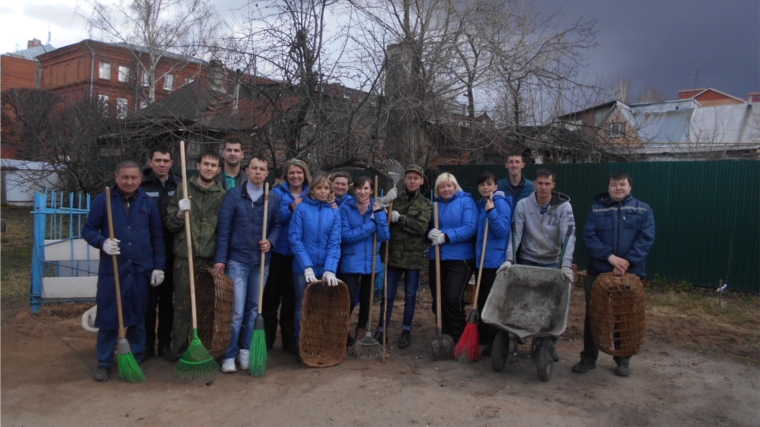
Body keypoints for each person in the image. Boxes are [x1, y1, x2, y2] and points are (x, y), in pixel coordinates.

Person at [83, 161, 166, 382]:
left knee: (139, 316)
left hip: (140, 269)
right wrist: (102, 242)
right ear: (116, 177)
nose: (129, 182)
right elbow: (88, 230)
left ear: (140, 179)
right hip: (114, 269)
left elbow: (158, 238)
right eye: (125, 177)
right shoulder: (104, 201)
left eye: (133, 178)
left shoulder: (148, 203)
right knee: (110, 316)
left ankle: (134, 358)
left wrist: (158, 266)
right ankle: (104, 361)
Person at [572, 171, 655, 377]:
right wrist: (610, 258)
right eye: (614, 184)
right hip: (599, 271)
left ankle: (622, 359)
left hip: (630, 273)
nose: (618, 188)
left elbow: (646, 238)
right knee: (594, 314)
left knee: (623, 316)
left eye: (622, 184)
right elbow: (589, 237)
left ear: (630, 187)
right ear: (608, 187)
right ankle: (588, 358)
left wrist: (626, 263)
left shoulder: (643, 209)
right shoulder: (597, 209)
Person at [214, 154, 282, 373]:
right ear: (248, 170)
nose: (258, 173)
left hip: (261, 262)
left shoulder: (272, 198)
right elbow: (224, 229)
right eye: (254, 168)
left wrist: (270, 241)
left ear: (267, 173)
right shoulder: (234, 196)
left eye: (262, 169)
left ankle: (245, 351)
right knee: (236, 312)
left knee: (254, 309)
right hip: (238, 260)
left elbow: (278, 225)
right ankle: (229, 354)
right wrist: (220, 259)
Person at [502, 168, 576, 361]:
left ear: (553, 185)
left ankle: (547, 345)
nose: (543, 187)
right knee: (525, 303)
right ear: (534, 183)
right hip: (528, 258)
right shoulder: (523, 205)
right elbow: (515, 233)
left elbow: (569, 237)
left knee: (552, 306)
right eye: (540, 183)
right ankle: (525, 337)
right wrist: (510, 259)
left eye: (547, 183)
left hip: (552, 261)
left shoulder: (563, 207)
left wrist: (565, 265)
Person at [164, 150, 226, 361]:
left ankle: (206, 348)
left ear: (218, 170)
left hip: (209, 259)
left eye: (213, 165)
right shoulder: (184, 189)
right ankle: (179, 350)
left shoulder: (221, 195)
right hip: (185, 259)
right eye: (205, 163)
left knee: (207, 307)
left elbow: (223, 228)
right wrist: (180, 213)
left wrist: (220, 257)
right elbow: (170, 224)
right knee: (182, 306)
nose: (209, 168)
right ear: (198, 165)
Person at [374, 165, 431, 349]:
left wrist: (401, 219)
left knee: (410, 295)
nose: (412, 181)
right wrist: (383, 203)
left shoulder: (424, 203)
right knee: (388, 295)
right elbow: (379, 218)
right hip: (393, 254)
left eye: (416, 178)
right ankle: (382, 330)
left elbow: (421, 228)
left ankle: (406, 330)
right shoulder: (394, 199)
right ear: (405, 180)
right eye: (409, 178)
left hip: (413, 257)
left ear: (422, 181)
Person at [289, 172, 342, 358]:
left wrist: (330, 269)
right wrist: (306, 266)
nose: (323, 191)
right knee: (303, 306)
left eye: (326, 188)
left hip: (324, 269)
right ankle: (300, 344)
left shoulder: (334, 213)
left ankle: (318, 341)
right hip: (303, 269)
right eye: (319, 188)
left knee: (321, 306)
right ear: (311, 190)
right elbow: (295, 239)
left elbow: (335, 242)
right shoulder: (302, 210)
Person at [262, 159, 311, 353]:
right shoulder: (276, 193)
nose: (295, 176)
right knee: (271, 298)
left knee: (292, 300)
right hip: (278, 253)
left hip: (299, 255)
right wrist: (292, 207)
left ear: (305, 174)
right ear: (286, 175)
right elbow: (272, 218)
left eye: (299, 172)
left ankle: (290, 341)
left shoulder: (311, 194)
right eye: (292, 173)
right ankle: (266, 340)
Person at [140, 147, 182, 360]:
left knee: (167, 302)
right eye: (158, 160)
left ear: (172, 162)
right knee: (148, 302)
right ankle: (147, 343)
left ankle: (164, 344)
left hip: (171, 250)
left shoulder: (179, 184)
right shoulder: (142, 184)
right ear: (151, 161)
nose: (162, 164)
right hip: (147, 251)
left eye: (166, 160)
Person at [427, 173, 477, 343]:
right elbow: (426, 230)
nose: (446, 189)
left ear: (455, 187)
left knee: (453, 298)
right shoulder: (434, 205)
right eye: (442, 186)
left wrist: (447, 236)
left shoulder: (466, 202)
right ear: (437, 189)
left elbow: (470, 227)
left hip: (460, 259)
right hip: (438, 258)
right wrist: (429, 234)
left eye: (449, 185)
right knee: (438, 300)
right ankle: (444, 335)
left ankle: (458, 336)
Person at [339, 176, 389, 345]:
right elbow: (345, 236)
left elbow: (384, 236)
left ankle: (360, 333)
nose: (362, 192)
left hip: (371, 261)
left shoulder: (378, 209)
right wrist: (370, 225)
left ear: (372, 190)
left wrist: (379, 216)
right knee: (350, 299)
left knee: (367, 300)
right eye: (359, 188)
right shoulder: (346, 208)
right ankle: (341, 331)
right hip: (351, 260)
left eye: (366, 188)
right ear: (354, 189)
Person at [473, 172, 512, 357]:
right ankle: (484, 336)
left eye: (489, 184)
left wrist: (492, 211)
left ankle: (495, 340)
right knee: (482, 300)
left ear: (496, 186)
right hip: (482, 261)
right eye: (482, 184)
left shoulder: (500, 203)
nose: (485, 187)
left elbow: (503, 231)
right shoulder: (481, 204)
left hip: (494, 262)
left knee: (492, 303)